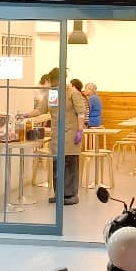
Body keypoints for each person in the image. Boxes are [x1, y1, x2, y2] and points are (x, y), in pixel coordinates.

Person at [44, 67, 88, 206]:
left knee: (70, 163)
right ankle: (59, 194)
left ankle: (70, 195)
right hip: (57, 134)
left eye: (54, 81)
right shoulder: (53, 93)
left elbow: (81, 113)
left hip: (71, 134)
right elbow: (42, 109)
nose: (52, 84)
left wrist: (80, 130)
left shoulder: (73, 93)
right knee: (57, 163)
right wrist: (26, 115)